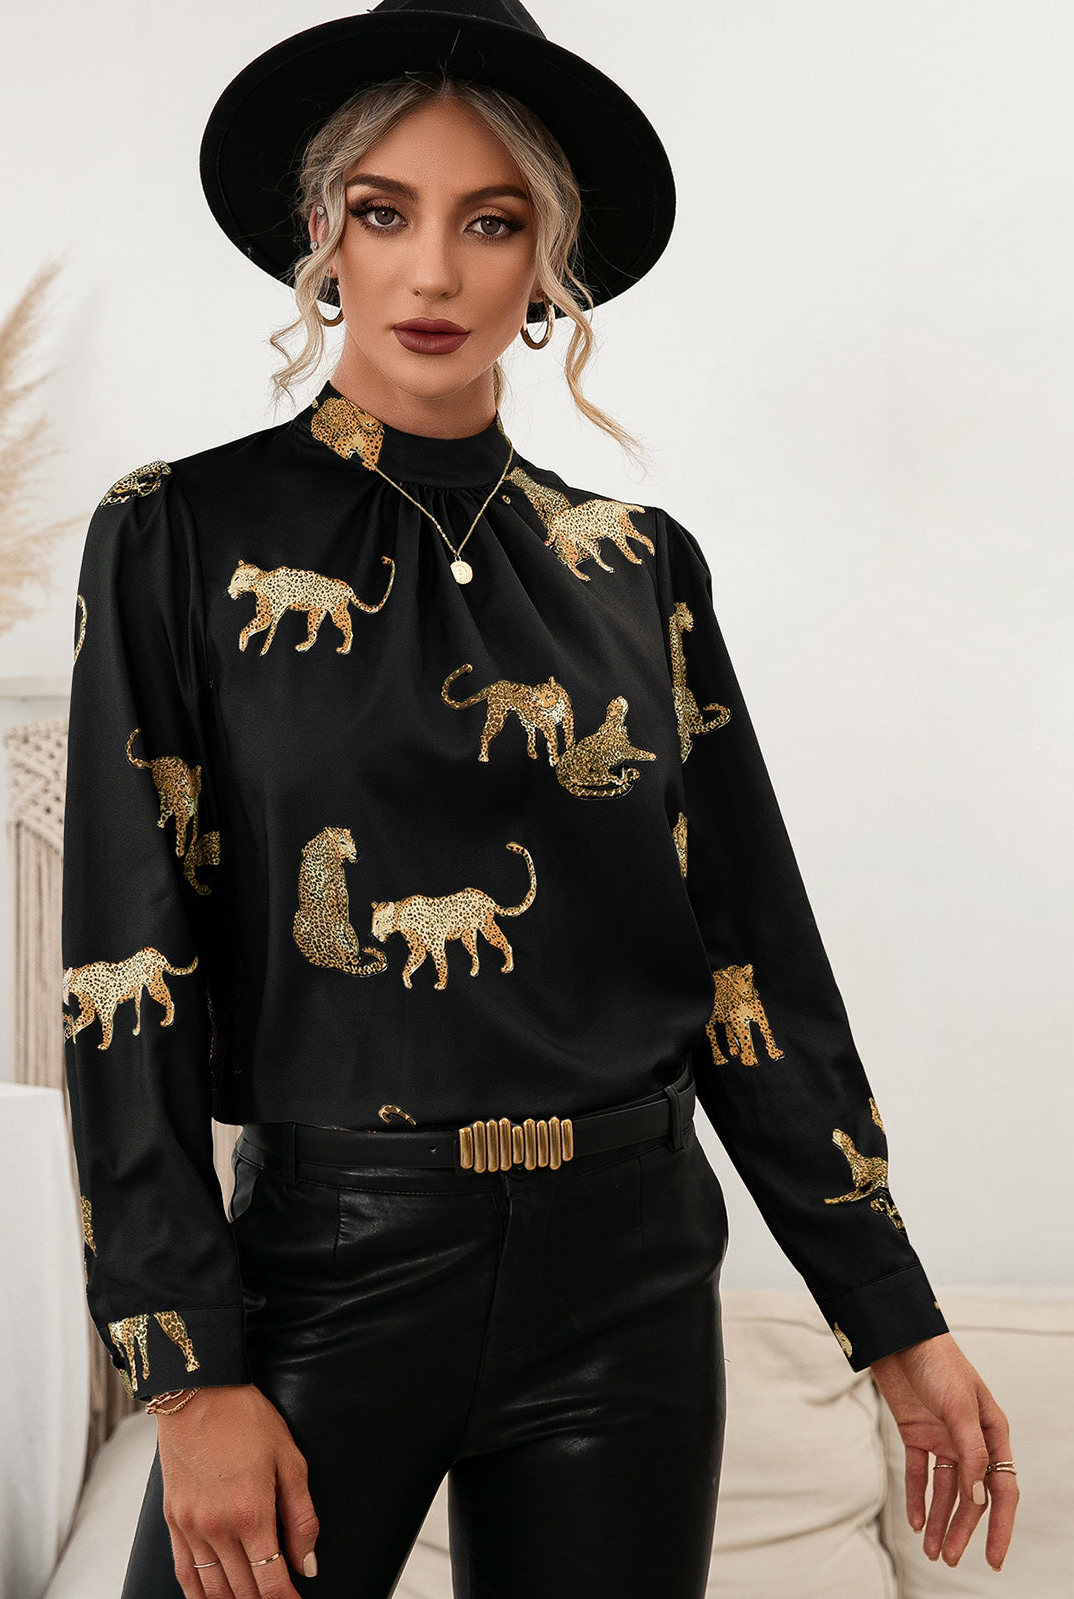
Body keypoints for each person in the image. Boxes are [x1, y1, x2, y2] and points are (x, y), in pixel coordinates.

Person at [60, 3, 1018, 1596]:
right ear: (322, 239)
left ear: (550, 264)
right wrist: (187, 1372)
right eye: (386, 214)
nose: (433, 273)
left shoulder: (637, 567)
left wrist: (893, 1315)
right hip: (331, 1271)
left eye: (491, 222)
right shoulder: (178, 534)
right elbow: (123, 961)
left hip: (629, 1278)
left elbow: (750, 959)